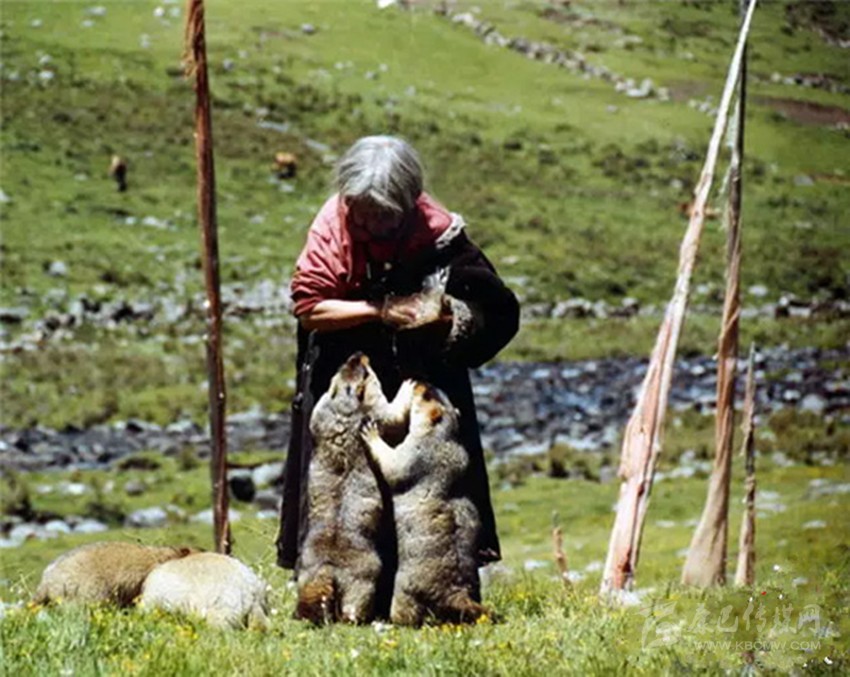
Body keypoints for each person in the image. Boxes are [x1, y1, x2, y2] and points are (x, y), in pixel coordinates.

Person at [275, 135, 519, 594]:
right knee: (342, 480)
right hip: (349, 374)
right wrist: (379, 310)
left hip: (419, 374)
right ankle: (335, 586)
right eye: (361, 214)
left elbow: (493, 308)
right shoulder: (331, 229)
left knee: (426, 475)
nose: (369, 226)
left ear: (408, 205)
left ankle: (434, 584)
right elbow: (309, 308)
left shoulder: (438, 235)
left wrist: (445, 315)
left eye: (382, 217)